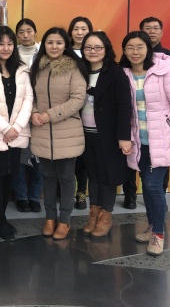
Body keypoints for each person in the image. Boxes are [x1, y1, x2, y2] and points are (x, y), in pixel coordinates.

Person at [120, 31, 170, 256]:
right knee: (146, 185)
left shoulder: (164, 69)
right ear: (124, 51)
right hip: (138, 141)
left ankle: (158, 234)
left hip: (162, 139)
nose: (135, 52)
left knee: (153, 186)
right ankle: (152, 226)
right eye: (130, 47)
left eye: (140, 47)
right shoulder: (123, 74)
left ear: (148, 49)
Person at [30, 27, 87, 241]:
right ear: (44, 44)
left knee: (66, 177)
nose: (54, 47)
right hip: (42, 131)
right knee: (47, 176)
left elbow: (77, 99)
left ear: (66, 45)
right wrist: (34, 113)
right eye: (50, 42)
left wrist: (50, 115)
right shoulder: (38, 67)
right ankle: (50, 217)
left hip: (67, 132)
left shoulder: (74, 68)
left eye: (59, 43)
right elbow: (30, 95)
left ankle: (64, 220)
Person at [0, 26, 33, 242]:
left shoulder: (22, 69)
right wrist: (5, 128)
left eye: (10, 44)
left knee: (10, 175)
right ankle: (0, 219)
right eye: (1, 44)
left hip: (16, 134)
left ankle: (0, 217)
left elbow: (28, 99)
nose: (6, 48)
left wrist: (17, 128)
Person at [79, 31, 132, 239]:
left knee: (107, 177)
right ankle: (93, 215)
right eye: (88, 47)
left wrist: (124, 136)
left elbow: (124, 106)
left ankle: (105, 217)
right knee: (93, 176)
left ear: (106, 49)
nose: (92, 51)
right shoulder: (80, 71)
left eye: (97, 47)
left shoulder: (115, 73)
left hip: (107, 136)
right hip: (85, 134)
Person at [13, 18, 43, 213]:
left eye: (29, 31)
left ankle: (35, 196)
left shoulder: (44, 52)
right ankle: (21, 197)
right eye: (21, 32)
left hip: (41, 111)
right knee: (19, 157)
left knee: (38, 157)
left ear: (35, 32)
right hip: (19, 110)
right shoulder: (12, 53)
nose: (25, 35)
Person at [68, 16, 93, 210]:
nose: (80, 32)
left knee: (84, 157)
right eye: (76, 29)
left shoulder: (93, 52)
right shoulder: (65, 52)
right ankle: (66, 192)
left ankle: (81, 193)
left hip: (89, 110)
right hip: (68, 110)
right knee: (69, 155)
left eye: (84, 29)